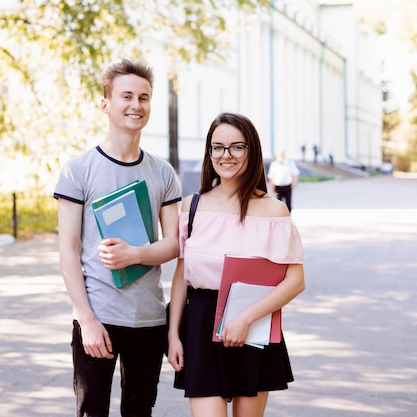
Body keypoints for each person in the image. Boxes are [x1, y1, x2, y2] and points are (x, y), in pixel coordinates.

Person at [53, 59, 182, 417]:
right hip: (98, 318)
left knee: (139, 413)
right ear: (105, 103)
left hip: (149, 319)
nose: (136, 105)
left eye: (144, 98)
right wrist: (86, 320)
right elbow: (68, 250)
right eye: (126, 96)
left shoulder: (163, 172)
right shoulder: (78, 170)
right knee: (92, 411)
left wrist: (136, 254)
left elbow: (174, 243)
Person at [167, 112, 306, 417]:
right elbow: (181, 276)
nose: (225, 155)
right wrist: (173, 334)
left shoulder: (274, 211)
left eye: (236, 147)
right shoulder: (193, 206)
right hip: (201, 325)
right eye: (217, 147)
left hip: (254, 323)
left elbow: (295, 281)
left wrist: (245, 319)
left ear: (251, 151)